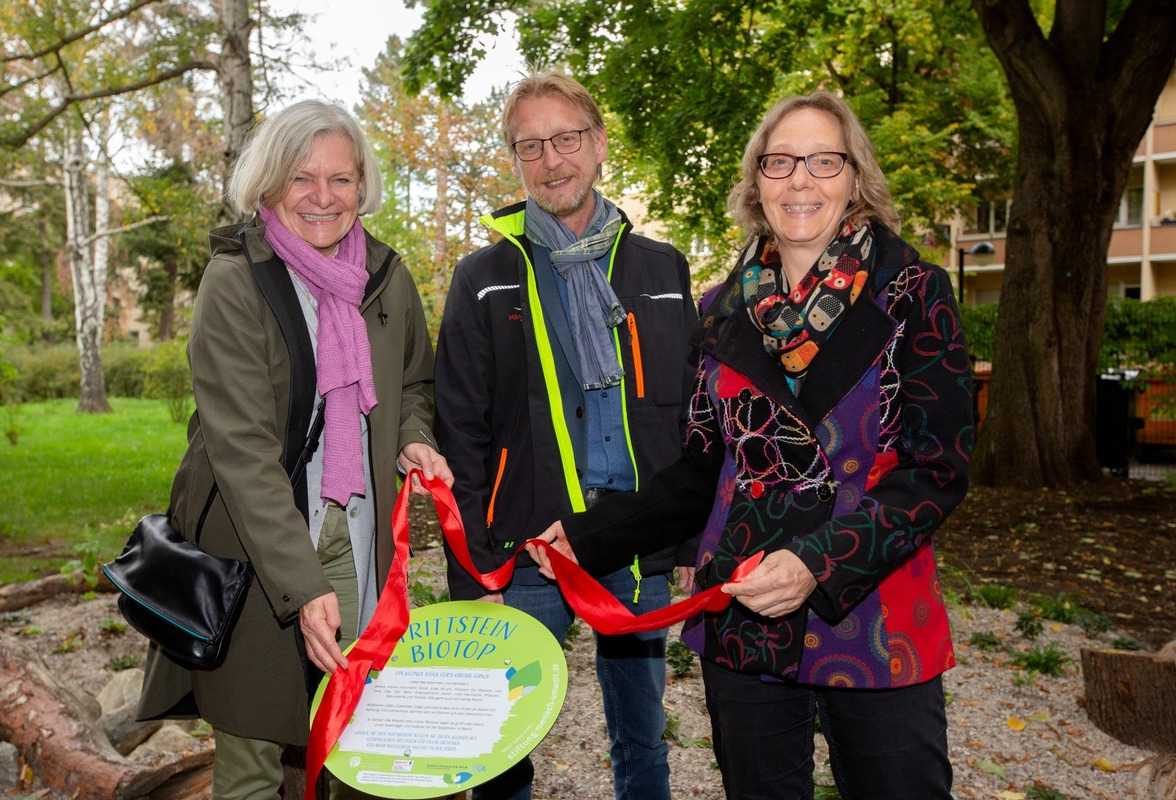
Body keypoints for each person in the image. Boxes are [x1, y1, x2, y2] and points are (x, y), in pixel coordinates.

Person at [529, 91, 974, 800]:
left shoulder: (913, 293)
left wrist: (816, 563)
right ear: (756, 181)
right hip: (744, 615)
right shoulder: (721, 308)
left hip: (874, 611)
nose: (800, 180)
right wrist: (586, 538)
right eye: (780, 162)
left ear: (855, 177)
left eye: (823, 161)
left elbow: (936, 471)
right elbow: (703, 469)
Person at [135, 99, 452, 799]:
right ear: (269, 182)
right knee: (252, 751)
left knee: (354, 738)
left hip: (359, 528)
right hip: (254, 543)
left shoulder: (387, 277)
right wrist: (303, 586)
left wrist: (414, 440)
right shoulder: (236, 280)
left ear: (362, 186)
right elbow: (241, 450)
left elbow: (412, 384)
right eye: (303, 178)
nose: (323, 197)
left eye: (341, 180)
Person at [433, 70, 697, 800]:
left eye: (566, 139)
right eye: (531, 146)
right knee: (502, 743)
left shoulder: (662, 268)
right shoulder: (484, 277)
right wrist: (475, 572)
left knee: (643, 737)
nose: (552, 160)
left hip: (637, 542)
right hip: (527, 548)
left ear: (600, 143)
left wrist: (692, 544)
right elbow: (460, 427)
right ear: (516, 161)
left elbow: (694, 422)